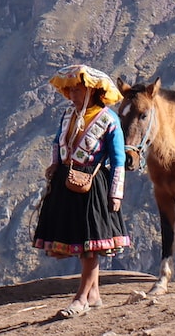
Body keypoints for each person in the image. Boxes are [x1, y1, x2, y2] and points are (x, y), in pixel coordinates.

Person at [32, 63, 130, 318]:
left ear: (92, 92)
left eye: (78, 90)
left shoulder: (109, 120)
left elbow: (118, 159)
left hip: (92, 185)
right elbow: (57, 142)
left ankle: (81, 298)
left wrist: (115, 193)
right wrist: (55, 165)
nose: (73, 95)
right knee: (81, 240)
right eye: (72, 90)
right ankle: (94, 294)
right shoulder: (68, 116)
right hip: (67, 182)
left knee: (90, 244)